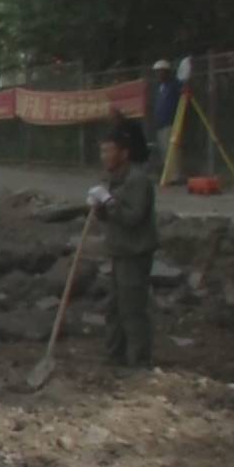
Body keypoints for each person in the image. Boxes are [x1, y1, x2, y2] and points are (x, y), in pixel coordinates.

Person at [88, 123, 158, 368]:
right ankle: (114, 358)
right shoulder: (117, 179)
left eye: (109, 151)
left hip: (134, 254)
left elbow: (133, 217)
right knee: (115, 309)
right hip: (120, 252)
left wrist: (108, 202)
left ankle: (139, 363)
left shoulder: (138, 180)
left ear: (124, 153)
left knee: (132, 311)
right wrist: (100, 208)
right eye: (102, 151)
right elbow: (113, 215)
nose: (104, 156)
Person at [150, 59, 184, 184]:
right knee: (164, 150)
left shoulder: (174, 84)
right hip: (161, 123)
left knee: (173, 149)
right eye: (157, 72)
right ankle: (168, 175)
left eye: (160, 72)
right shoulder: (160, 87)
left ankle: (176, 176)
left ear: (166, 72)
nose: (158, 75)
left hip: (171, 122)